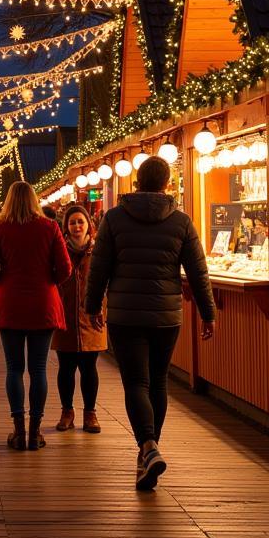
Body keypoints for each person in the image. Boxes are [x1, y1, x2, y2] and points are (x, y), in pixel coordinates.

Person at [87, 155, 215, 491]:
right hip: (166, 315)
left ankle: (147, 447)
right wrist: (208, 312)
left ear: (137, 181)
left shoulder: (114, 219)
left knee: (136, 383)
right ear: (167, 183)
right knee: (158, 382)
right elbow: (198, 272)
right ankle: (149, 449)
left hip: (126, 314)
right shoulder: (182, 222)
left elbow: (98, 268)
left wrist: (91, 306)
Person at [0, 181, 71, 452]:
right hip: (43, 303)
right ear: (34, 200)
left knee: (14, 369)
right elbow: (65, 268)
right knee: (39, 369)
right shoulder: (50, 227)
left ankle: (18, 431)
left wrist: (3, 279)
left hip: (10, 303)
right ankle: (35, 433)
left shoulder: (0, 228)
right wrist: (48, 280)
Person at [53, 203, 107, 434]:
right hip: (64, 315)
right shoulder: (58, 251)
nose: (76, 226)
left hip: (91, 316)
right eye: (72, 222)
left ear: (89, 226)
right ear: (66, 227)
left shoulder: (99, 252)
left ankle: (90, 413)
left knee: (89, 368)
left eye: (80, 222)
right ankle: (67, 411)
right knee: (65, 367)